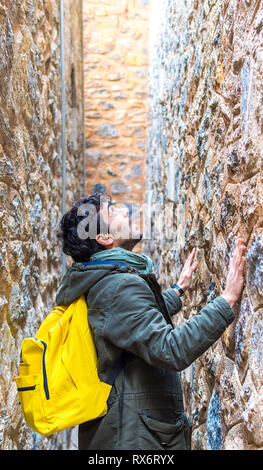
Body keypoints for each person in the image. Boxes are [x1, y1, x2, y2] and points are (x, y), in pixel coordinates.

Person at [56, 192, 247, 450]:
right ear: (104, 238)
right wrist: (227, 300)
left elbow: (132, 324)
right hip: (133, 439)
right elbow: (171, 349)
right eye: (113, 211)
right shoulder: (118, 286)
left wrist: (177, 291)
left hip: (125, 430)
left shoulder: (107, 281)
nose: (127, 212)